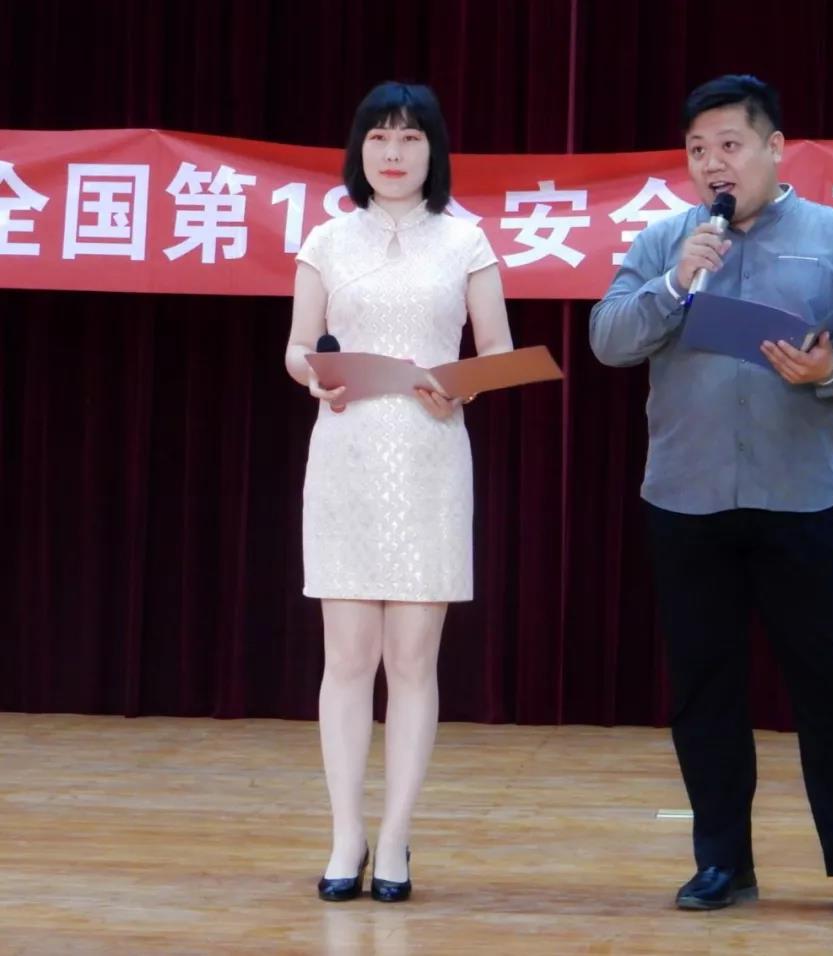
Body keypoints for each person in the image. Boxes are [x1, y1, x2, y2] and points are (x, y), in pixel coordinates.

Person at [589, 74, 833, 918]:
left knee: (830, 686)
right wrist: (672, 285)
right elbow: (608, 339)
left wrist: (831, 367)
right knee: (704, 688)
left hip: (798, 496)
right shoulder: (667, 240)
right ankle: (723, 862)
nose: (712, 163)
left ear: (774, 148)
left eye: (729, 145)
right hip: (686, 498)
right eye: (697, 150)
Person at [284, 81, 512, 903]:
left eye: (411, 138)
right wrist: (313, 376)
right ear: (359, 149)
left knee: (413, 661)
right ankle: (345, 835)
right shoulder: (327, 239)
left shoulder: (465, 240)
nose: (393, 152)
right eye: (379, 137)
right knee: (347, 659)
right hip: (346, 450)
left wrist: (459, 386)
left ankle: (396, 841)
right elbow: (297, 347)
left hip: (427, 454)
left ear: (433, 151)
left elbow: (498, 352)